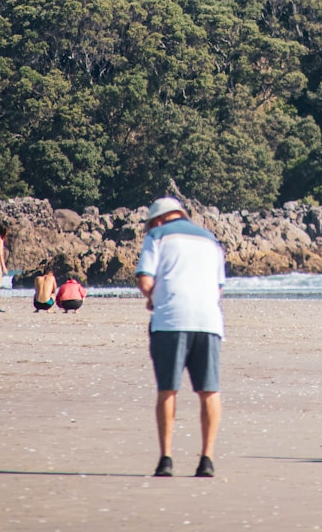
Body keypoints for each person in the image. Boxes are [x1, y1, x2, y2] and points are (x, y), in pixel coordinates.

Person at [136, 196, 226, 480]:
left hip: (171, 320)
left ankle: (166, 459)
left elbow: (145, 279)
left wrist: (153, 299)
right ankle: (207, 459)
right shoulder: (211, 240)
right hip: (209, 320)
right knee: (209, 391)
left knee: (168, 390)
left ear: (159, 219)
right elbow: (219, 288)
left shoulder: (157, 235)